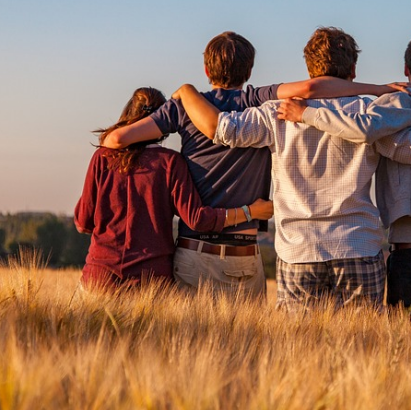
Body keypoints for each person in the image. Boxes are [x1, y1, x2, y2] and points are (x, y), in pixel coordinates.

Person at [171, 27, 411, 311]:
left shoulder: (275, 113)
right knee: (363, 351)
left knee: (299, 353)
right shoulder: (371, 114)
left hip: (298, 250)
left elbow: (222, 130)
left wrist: (186, 92)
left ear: (309, 70)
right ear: (353, 71)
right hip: (358, 245)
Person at [101, 31, 403, 299]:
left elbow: (115, 141)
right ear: (249, 70)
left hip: (196, 251)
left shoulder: (185, 107)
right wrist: (377, 89)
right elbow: (312, 89)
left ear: (207, 70)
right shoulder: (258, 100)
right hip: (248, 253)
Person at [279, 33, 411, 317]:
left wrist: (307, 114)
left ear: (406, 69)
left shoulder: (387, 113)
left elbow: (362, 129)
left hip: (409, 257)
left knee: (406, 354)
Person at [74, 87, 273, 291]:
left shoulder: (102, 158)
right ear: (164, 123)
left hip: (100, 276)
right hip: (151, 281)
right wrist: (250, 212)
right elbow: (197, 219)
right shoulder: (170, 163)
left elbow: (83, 222)